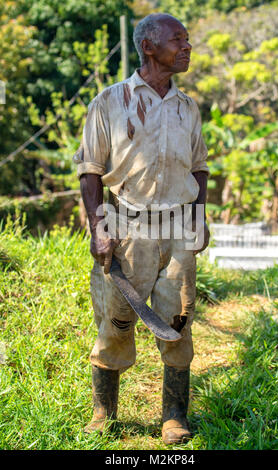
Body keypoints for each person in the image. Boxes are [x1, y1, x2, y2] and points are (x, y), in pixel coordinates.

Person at [74, 13, 210, 445]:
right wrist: (98, 227)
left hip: (178, 229)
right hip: (126, 226)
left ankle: (174, 417)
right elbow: (90, 171)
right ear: (149, 47)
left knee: (178, 320)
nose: (187, 46)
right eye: (178, 40)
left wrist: (199, 216)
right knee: (116, 322)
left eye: (188, 40)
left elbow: (200, 168)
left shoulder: (188, 107)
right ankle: (103, 414)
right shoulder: (110, 102)